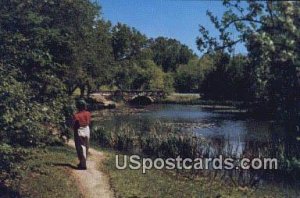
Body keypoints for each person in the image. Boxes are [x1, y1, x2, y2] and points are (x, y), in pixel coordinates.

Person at [73, 99, 91, 170]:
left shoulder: (76, 115)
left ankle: (83, 165)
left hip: (80, 130)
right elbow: (89, 122)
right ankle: (82, 162)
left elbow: (76, 124)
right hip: (86, 129)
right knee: (86, 146)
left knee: (80, 147)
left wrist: (74, 129)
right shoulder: (88, 113)